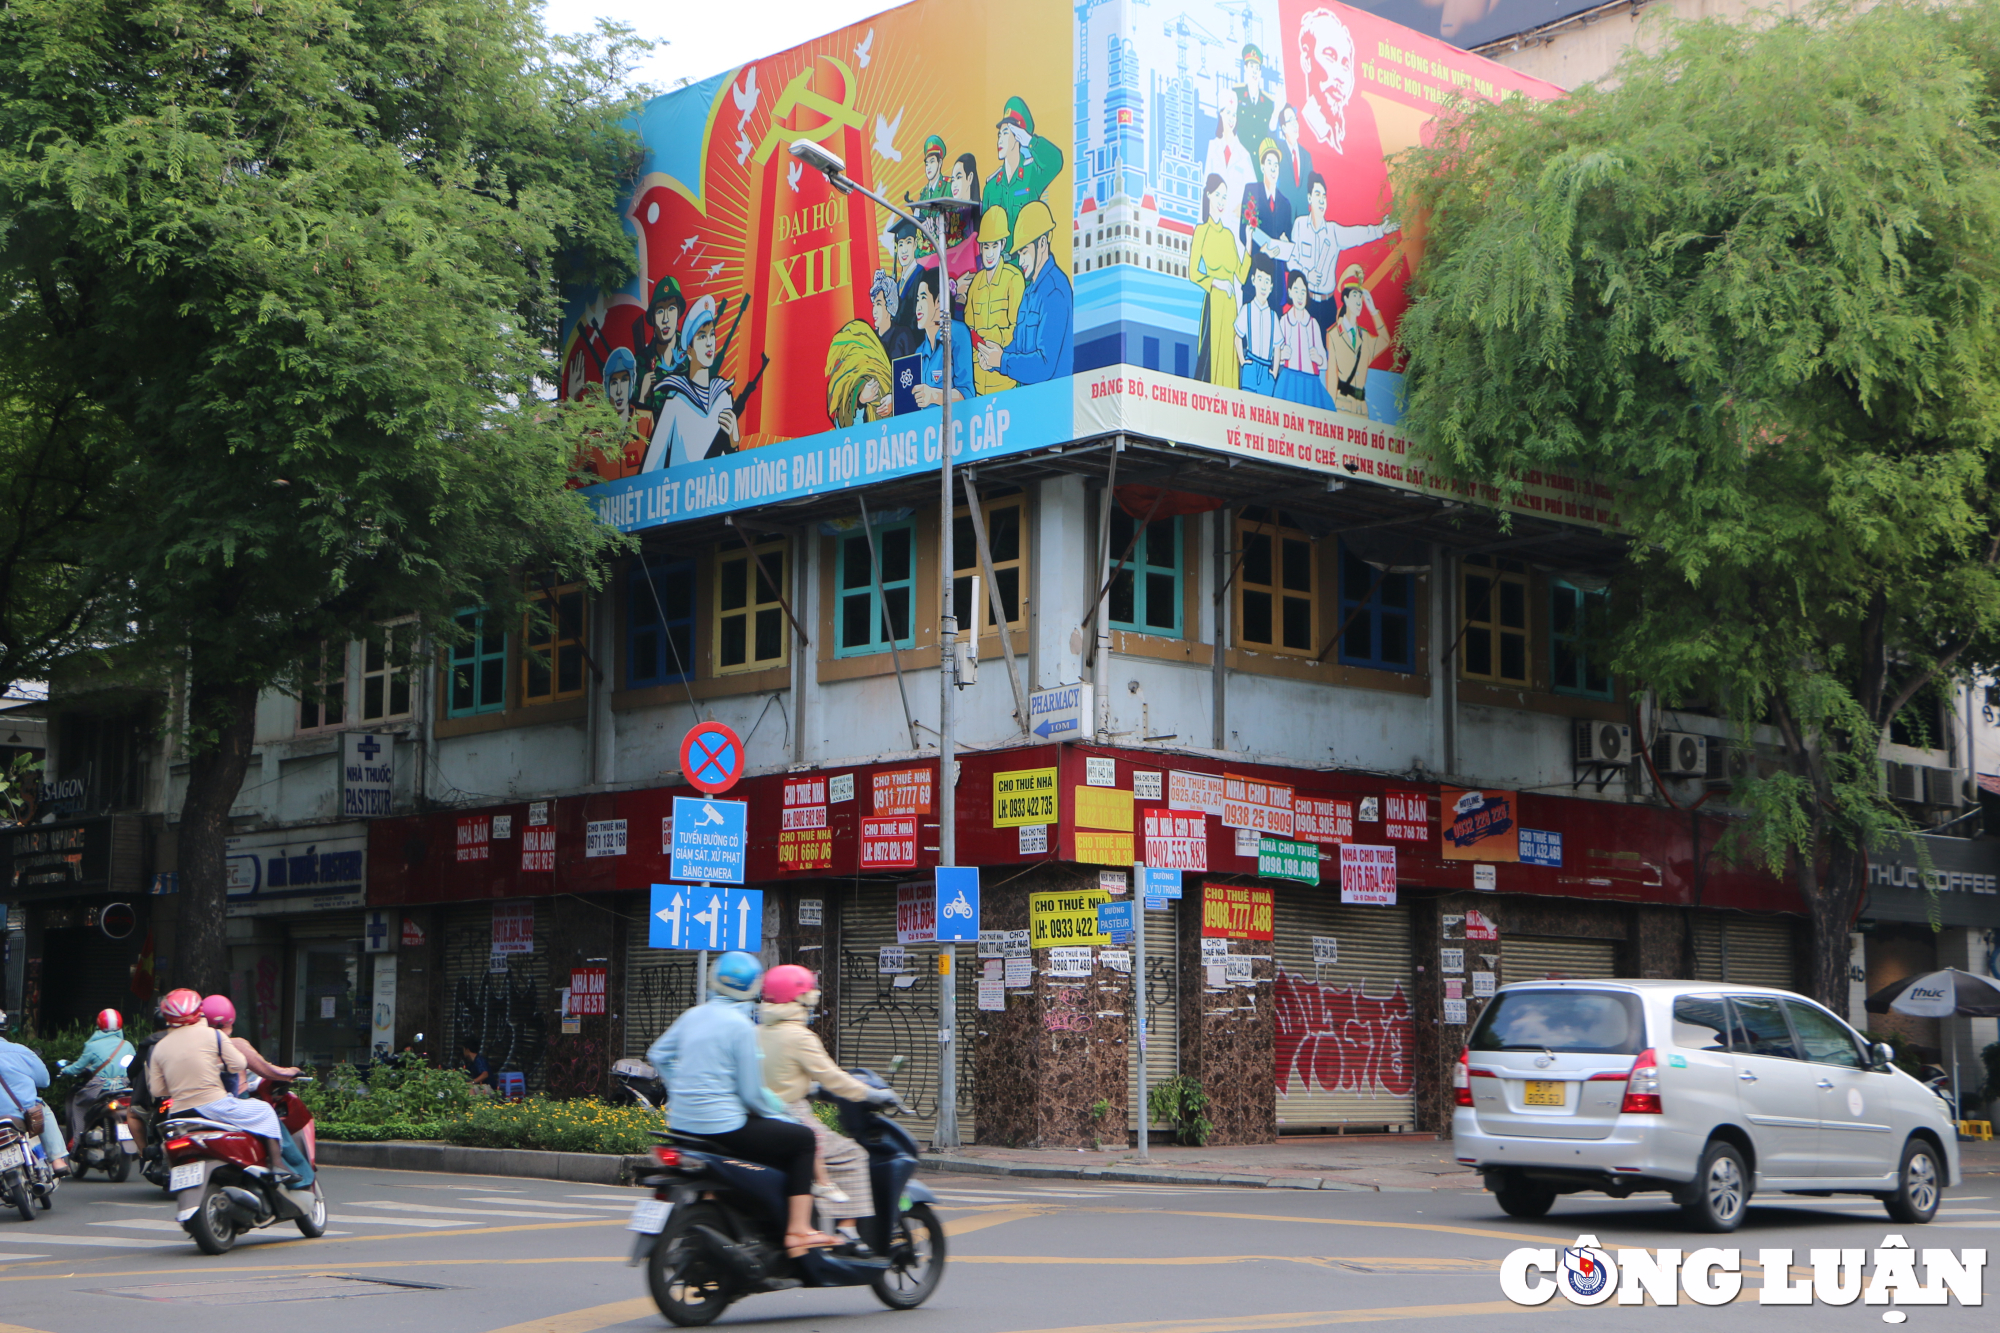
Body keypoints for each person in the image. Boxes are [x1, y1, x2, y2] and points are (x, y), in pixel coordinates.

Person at [646, 951, 832, 1257]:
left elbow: (658, 1054)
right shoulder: (741, 1026)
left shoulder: (693, 1014)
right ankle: (798, 1229)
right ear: (751, 987)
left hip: (680, 1124)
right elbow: (751, 1095)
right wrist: (782, 1115)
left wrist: (681, 1087)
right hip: (722, 1127)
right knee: (803, 1140)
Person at [757, 965, 896, 1227]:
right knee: (852, 1154)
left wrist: (807, 1087)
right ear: (798, 1000)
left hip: (759, 1117)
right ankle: (847, 1233)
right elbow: (834, 1078)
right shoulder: (800, 1037)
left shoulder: (755, 1032)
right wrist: (872, 1094)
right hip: (793, 1115)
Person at [148, 988, 293, 1182]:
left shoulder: (160, 1047)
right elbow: (239, 1065)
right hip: (214, 1106)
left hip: (178, 1112)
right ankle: (277, 1165)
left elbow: (157, 1090)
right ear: (198, 1010)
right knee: (265, 1110)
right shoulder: (213, 1035)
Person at [200, 995, 314, 1187]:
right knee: (273, 1122)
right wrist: (290, 1073)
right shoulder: (234, 1044)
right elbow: (265, 1069)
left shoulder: (197, 1047)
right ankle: (291, 1173)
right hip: (234, 1102)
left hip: (200, 1105)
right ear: (230, 1021)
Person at [1260, 174, 1395, 334]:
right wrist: (1307, 275)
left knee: (1327, 354)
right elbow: (1292, 261)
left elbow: (1358, 234)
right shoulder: (1300, 225)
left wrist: (1381, 230)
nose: (1322, 200)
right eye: (1317, 195)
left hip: (1327, 305)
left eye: (1324, 196)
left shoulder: (1333, 231)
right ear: (1309, 198)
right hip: (1306, 303)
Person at [976, 200, 1071, 387]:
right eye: (1019, 254)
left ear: (1042, 243)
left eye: (1024, 252)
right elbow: (1019, 347)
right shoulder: (1029, 292)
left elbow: (1045, 364)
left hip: (1053, 404)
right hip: (1030, 404)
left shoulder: (1055, 291)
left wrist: (1002, 360)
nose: (1020, 261)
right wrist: (995, 356)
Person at [643, 295, 740, 471]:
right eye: (702, 337)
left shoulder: (724, 397)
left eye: (712, 335)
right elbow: (649, 472)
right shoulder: (675, 402)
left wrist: (734, 443)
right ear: (689, 349)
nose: (710, 343)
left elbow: (734, 471)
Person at [1187, 174, 1250, 387]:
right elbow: (1193, 273)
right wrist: (1216, 282)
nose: (1222, 202)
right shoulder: (1202, 231)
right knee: (1210, 359)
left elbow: (1241, 275)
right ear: (1208, 196)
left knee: (1229, 360)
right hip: (1214, 303)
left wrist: (1248, 242)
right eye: (1218, 196)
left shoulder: (1229, 236)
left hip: (1230, 307)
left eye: (1225, 197)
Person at [981, 97, 1064, 240]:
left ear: (1018, 136)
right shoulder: (991, 186)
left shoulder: (1031, 173)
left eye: (1006, 133)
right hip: (998, 261)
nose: (1000, 140)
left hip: (1025, 259)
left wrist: (1030, 141)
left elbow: (1055, 161)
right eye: (999, 135)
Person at [964, 207, 1026, 396]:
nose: (989, 253)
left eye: (994, 246)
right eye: (986, 247)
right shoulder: (975, 283)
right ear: (980, 247)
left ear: (1003, 245)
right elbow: (968, 331)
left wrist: (991, 342)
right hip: (977, 383)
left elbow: (1018, 330)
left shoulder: (1013, 279)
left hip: (1005, 383)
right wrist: (979, 353)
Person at [0, 1010, 67, 1175]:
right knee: (41, 1108)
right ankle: (57, 1160)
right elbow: (44, 1081)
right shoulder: (21, 1051)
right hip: (22, 1114)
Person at [65, 1007, 134, 1146]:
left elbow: (77, 1067)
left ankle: (77, 1141)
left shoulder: (93, 1046)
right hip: (123, 1087)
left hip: (99, 1089)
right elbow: (132, 1067)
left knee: (78, 1103)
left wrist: (65, 1070)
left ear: (99, 1024)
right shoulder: (127, 1045)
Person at [1327, 266, 1392, 414]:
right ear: (1346, 298)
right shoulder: (1335, 335)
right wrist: (1330, 412)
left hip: (1361, 409)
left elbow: (1385, 340)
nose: (1359, 301)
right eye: (1355, 295)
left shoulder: (1365, 336)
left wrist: (1373, 311)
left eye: (1360, 296)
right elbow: (1332, 376)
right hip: (1341, 406)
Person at [1273, 269, 1335, 410]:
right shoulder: (1284, 321)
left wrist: (1318, 358)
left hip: (1310, 381)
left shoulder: (1312, 324)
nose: (1300, 296)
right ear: (1289, 292)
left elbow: (1324, 362)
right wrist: (1282, 355)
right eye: (1296, 290)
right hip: (1289, 379)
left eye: (1303, 291)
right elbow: (1275, 354)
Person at [911, 270, 974, 408]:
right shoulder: (919, 352)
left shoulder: (957, 333)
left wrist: (933, 396)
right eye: (917, 300)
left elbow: (967, 394)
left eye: (923, 298)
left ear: (939, 301)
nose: (918, 307)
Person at [824, 319, 894, 428]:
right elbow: (843, 429)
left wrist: (895, 400)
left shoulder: (883, 373)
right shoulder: (840, 387)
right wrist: (860, 401)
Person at [1202, 89, 1255, 214]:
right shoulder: (1212, 147)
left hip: (1234, 223)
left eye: (1234, 115)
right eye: (1228, 113)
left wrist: (1244, 207)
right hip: (1214, 219)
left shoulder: (1243, 154)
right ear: (1221, 114)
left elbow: (1254, 193)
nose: (1231, 118)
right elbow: (1205, 189)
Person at [1234, 263, 1279, 397]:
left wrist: (1274, 373)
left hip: (1266, 369)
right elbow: (1238, 337)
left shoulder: (1273, 316)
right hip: (1251, 365)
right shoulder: (1246, 309)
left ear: (1271, 287)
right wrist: (1243, 362)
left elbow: (1277, 347)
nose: (1263, 286)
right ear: (1253, 280)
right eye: (1260, 280)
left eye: (1267, 281)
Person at [1232, 44, 1278, 164]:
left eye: (1257, 68)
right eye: (1251, 66)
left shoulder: (1268, 102)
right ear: (1245, 68)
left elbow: (1270, 134)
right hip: (1240, 163)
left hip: (1259, 164)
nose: (1254, 71)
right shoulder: (1237, 94)